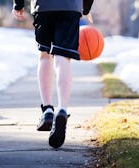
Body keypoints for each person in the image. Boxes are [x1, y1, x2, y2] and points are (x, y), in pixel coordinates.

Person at [13, 0, 94, 148]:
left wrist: (18, 4)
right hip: (70, 7)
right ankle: (62, 110)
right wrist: (86, 7)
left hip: (43, 7)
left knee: (44, 55)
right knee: (63, 57)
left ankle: (48, 110)